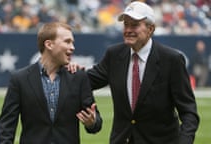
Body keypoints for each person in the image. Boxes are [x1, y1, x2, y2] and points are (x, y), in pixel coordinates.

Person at [69, 1, 199, 144]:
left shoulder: (171, 60)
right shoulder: (114, 55)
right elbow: (86, 81)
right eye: (126, 24)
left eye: (135, 25)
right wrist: (72, 71)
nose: (128, 30)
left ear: (150, 29)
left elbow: (189, 112)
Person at [0, 22, 102, 144]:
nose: (72, 47)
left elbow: (96, 122)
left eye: (72, 42)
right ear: (49, 44)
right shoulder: (20, 79)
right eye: (67, 42)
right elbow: (6, 128)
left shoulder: (79, 77)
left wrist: (92, 122)